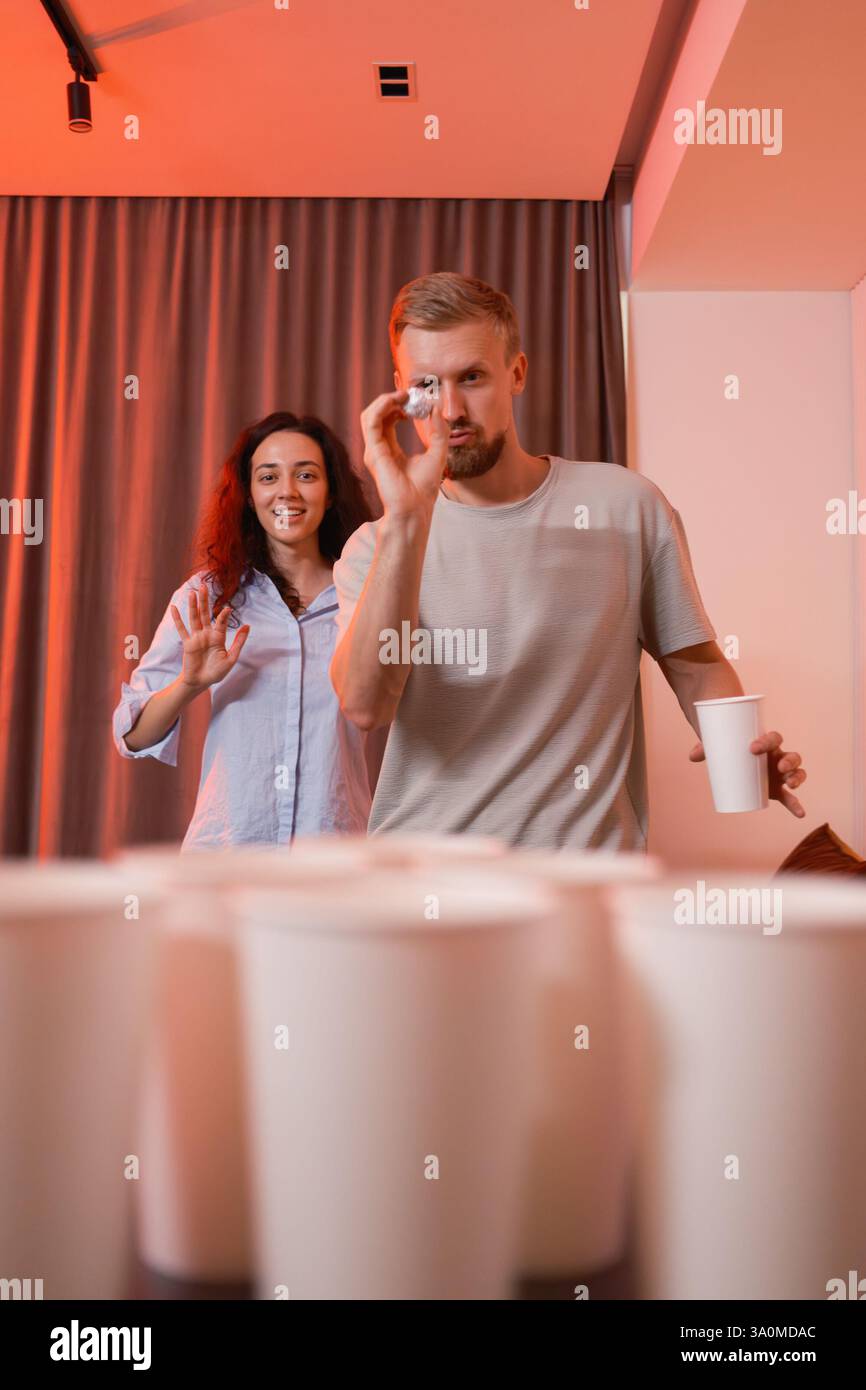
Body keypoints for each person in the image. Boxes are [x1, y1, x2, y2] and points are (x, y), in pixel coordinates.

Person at [330, 272, 807, 851]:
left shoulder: (625, 506)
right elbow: (365, 705)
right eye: (428, 384)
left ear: (518, 373)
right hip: (427, 886)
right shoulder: (374, 547)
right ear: (403, 392)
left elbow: (696, 664)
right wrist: (407, 520)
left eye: (473, 377)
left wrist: (739, 743)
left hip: (587, 882)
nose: (451, 409)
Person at [113, 411, 375, 849]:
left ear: (330, 493)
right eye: (268, 477)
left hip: (333, 860)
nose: (287, 492)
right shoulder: (208, 596)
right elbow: (132, 735)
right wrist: (188, 683)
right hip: (228, 856)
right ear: (250, 496)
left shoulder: (365, 592)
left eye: (306, 475)